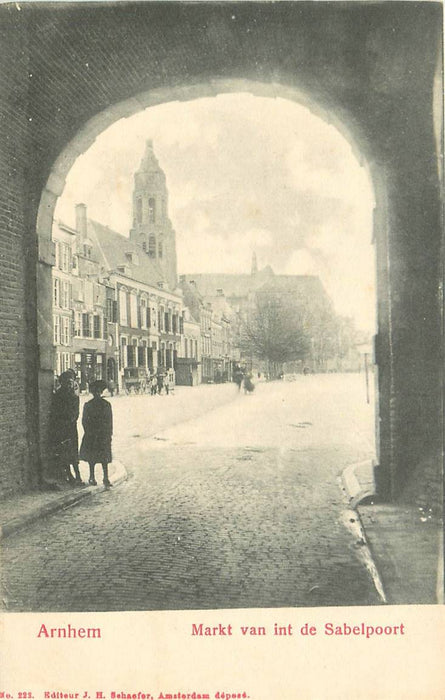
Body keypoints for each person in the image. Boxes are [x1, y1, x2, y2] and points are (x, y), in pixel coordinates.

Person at [79, 379, 113, 488]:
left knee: (104, 458)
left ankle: (106, 477)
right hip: (92, 434)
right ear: (93, 393)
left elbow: (109, 420)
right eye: (95, 392)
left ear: (101, 392)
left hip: (103, 434)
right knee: (92, 458)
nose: (97, 393)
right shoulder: (88, 405)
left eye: (99, 391)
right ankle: (92, 476)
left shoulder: (106, 405)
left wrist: (109, 434)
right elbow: (84, 421)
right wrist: (89, 432)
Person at [51, 371, 82, 485]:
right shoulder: (58, 395)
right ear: (62, 383)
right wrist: (66, 421)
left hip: (71, 427)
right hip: (62, 428)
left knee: (73, 450)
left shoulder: (74, 396)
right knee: (65, 452)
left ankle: (77, 475)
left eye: (70, 382)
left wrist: (72, 419)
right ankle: (70, 475)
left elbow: (76, 411)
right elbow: (56, 411)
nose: (69, 385)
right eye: (67, 382)